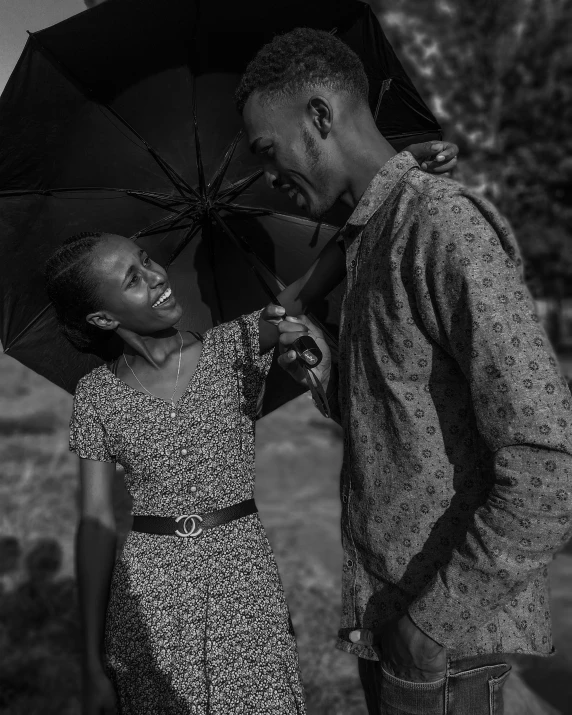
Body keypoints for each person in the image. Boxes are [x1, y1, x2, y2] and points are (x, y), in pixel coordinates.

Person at [236, 26, 572, 715]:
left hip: (445, 651)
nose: (268, 176)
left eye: (267, 150)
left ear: (320, 117)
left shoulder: (440, 225)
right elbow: (404, 420)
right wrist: (327, 372)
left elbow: (547, 462)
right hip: (389, 621)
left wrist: (427, 631)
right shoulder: (368, 244)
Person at [43, 153, 450, 715]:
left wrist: (393, 186)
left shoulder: (230, 349)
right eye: (132, 281)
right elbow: (92, 524)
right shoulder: (95, 395)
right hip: (149, 600)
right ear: (103, 319)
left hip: (242, 582)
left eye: (146, 261)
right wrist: (90, 663)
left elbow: (311, 281)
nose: (156, 277)